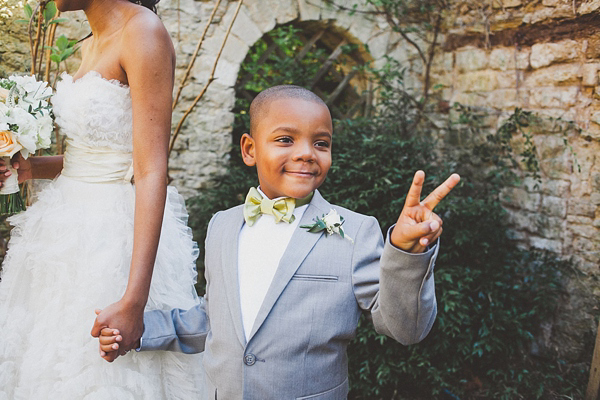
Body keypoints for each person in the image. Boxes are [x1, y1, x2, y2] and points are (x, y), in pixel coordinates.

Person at [98, 85, 460, 399]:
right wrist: (139, 330)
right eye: (286, 139)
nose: (306, 153)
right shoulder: (222, 226)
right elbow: (214, 319)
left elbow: (405, 329)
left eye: (321, 143)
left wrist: (406, 252)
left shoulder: (355, 231)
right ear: (249, 149)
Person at [0, 0, 204, 397]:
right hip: (62, 237)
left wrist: (133, 301)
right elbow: (94, 157)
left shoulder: (143, 32)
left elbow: (149, 171)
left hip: (111, 241)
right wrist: (31, 167)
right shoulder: (91, 42)